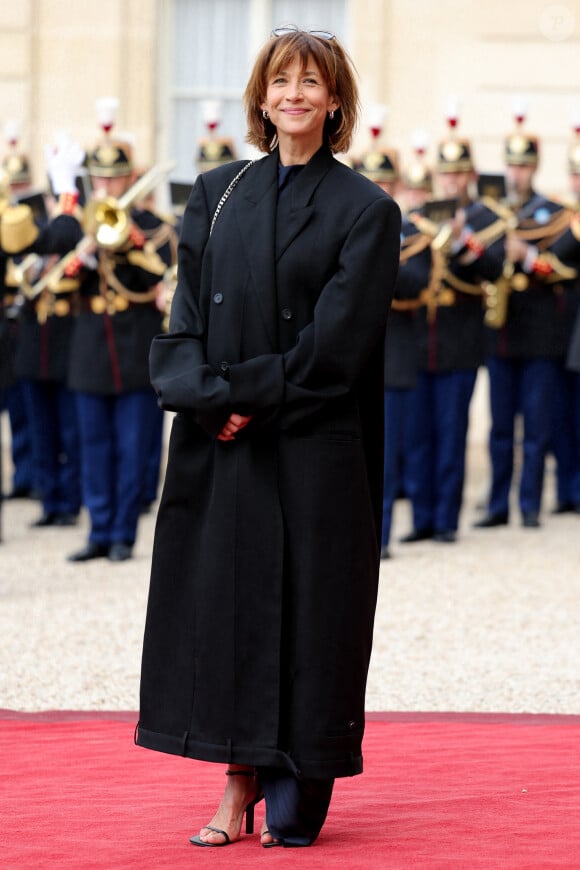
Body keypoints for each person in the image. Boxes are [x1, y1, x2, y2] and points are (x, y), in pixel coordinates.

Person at [136, 26, 401, 849]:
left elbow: (334, 351)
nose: (294, 94)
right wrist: (209, 401)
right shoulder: (215, 193)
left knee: (305, 616)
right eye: (280, 80)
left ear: (334, 102)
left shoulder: (368, 210)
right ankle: (232, 780)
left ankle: (288, 775)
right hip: (225, 444)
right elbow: (181, 326)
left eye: (311, 83)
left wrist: (242, 395)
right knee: (226, 612)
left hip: (314, 448)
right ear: (260, 97)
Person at [65, 105, 175, 562]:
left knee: (131, 448)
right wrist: (84, 254)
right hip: (91, 348)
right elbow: (61, 285)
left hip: (135, 351)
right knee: (93, 446)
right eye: (100, 179)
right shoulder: (78, 227)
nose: (107, 187)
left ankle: (123, 533)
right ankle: (98, 528)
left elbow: (165, 277)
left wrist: (129, 241)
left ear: (130, 179)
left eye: (115, 179)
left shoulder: (156, 230)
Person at [400, 119, 504, 544]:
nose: (451, 180)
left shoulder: (484, 219)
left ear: (471, 176)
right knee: (417, 435)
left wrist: (462, 242)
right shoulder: (418, 218)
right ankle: (422, 518)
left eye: (459, 173)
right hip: (419, 340)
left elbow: (494, 268)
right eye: (446, 173)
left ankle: (445, 520)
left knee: (451, 434)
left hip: (459, 339)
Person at [474, 116, 577, 529]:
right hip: (500, 335)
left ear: (534, 167)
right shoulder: (489, 213)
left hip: (540, 336)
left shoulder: (553, 212)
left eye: (524, 165)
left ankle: (529, 505)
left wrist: (527, 258)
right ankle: (498, 505)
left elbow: (565, 268)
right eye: (512, 164)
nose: (517, 172)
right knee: (500, 429)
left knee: (535, 428)